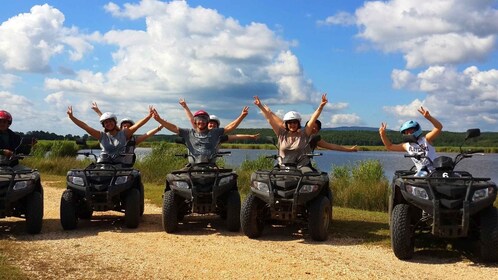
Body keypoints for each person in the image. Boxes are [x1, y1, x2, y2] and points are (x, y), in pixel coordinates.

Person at [253, 94, 327, 173]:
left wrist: (321, 106)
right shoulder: (281, 134)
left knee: (310, 177)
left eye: (295, 122)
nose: (292, 125)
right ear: (286, 124)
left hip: (301, 167)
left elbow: (313, 118)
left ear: (298, 123)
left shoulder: (304, 133)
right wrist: (260, 106)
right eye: (290, 123)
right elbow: (269, 119)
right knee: (270, 177)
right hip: (282, 167)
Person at [152, 108, 245, 164]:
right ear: (195, 121)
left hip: (211, 165)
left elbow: (230, 127)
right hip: (193, 165)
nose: (201, 121)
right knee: (173, 181)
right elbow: (173, 127)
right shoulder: (188, 133)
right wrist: (159, 120)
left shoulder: (215, 132)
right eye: (199, 119)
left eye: (204, 119)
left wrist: (242, 116)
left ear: (207, 121)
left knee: (230, 181)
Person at [67, 105, 154, 164]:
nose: (108, 124)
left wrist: (149, 116)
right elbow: (85, 126)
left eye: (110, 121)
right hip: (103, 164)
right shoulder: (101, 135)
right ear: (103, 125)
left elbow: (137, 125)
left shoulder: (123, 133)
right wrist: (72, 117)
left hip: (120, 166)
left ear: (115, 122)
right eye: (106, 123)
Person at [379, 106, 443, 176]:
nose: (408, 133)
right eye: (406, 132)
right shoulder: (407, 145)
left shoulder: (426, 139)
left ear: (416, 129)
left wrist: (429, 118)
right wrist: (382, 135)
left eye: (410, 131)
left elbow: (438, 127)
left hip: (435, 172)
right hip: (422, 173)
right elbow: (390, 147)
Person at [178, 98, 259, 141]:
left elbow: (235, 135)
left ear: (217, 127)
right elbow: (192, 119)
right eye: (210, 123)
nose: (212, 125)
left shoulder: (218, 137)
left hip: (210, 163)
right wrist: (185, 107)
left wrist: (250, 136)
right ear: (206, 123)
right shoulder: (197, 131)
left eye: (214, 124)